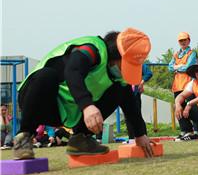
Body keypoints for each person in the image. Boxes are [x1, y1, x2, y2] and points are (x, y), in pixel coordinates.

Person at [13, 28, 155, 159]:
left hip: (68, 111)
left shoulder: (117, 76)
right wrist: (87, 106)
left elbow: (129, 102)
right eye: (126, 65)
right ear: (116, 54)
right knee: (46, 76)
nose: (126, 71)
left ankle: (80, 140)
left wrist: (140, 134)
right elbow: (72, 71)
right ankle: (24, 137)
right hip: (37, 101)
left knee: (120, 89)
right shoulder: (92, 49)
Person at [168, 32, 198, 139]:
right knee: (178, 108)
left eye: (185, 40)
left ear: (189, 40)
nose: (183, 42)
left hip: (188, 85)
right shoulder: (176, 54)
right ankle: (184, 130)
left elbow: (188, 67)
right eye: (181, 40)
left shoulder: (192, 53)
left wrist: (177, 67)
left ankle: (193, 131)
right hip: (177, 85)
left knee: (189, 108)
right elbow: (170, 67)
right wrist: (180, 66)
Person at [126, 63, 154, 141]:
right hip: (124, 92)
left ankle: (143, 136)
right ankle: (131, 138)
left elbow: (148, 73)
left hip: (134, 92)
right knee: (127, 116)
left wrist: (141, 82)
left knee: (137, 115)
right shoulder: (122, 62)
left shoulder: (138, 63)